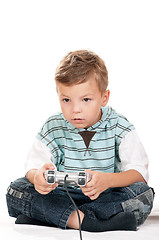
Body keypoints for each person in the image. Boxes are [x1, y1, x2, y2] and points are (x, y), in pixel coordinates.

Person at [6, 50, 154, 232]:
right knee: (17, 188)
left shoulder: (119, 126)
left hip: (103, 197)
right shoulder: (53, 126)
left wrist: (107, 181)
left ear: (104, 98)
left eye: (86, 99)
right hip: (62, 195)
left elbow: (139, 174)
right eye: (66, 100)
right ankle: (90, 221)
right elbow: (33, 166)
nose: (76, 109)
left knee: (142, 192)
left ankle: (56, 216)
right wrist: (38, 177)